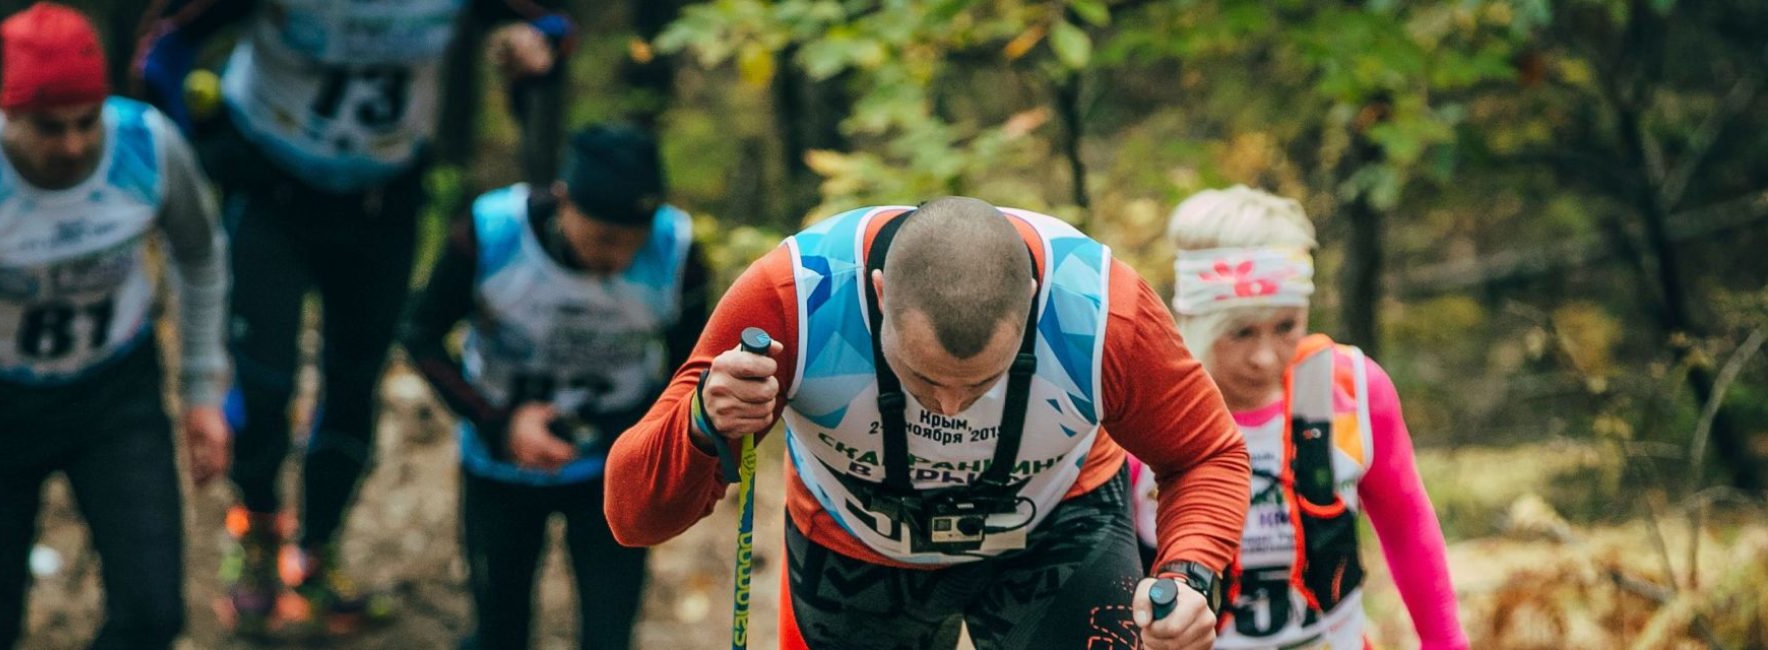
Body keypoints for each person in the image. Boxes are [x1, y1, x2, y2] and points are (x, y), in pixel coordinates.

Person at [605, 196, 1252, 649]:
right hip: (855, 543)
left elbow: (1206, 455)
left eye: (983, 381)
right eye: (922, 377)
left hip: (1057, 529)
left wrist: (1189, 574)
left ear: (1032, 303)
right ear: (879, 294)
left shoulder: (1104, 312)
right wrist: (702, 421)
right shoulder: (794, 299)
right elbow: (632, 518)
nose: (949, 406)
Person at [128, 0, 576, 634]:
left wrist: (538, 47)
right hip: (267, 188)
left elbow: (555, 25)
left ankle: (316, 556)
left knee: (354, 380)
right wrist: (180, 164)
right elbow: (163, 49)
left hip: (383, 203)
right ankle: (257, 540)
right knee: (263, 382)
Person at [0, 4, 230, 648]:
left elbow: (200, 256)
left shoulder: (147, 147)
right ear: (9, 112)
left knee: (153, 613)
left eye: (87, 121)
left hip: (115, 393)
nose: (73, 145)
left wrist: (202, 387)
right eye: (49, 126)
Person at [400, 124, 709, 649]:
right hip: (500, 461)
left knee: (609, 634)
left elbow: (694, 365)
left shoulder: (676, 250)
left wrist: (637, 434)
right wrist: (498, 424)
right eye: (603, 238)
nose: (618, 257)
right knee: (500, 629)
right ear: (563, 200)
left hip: (613, 462)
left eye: (633, 240)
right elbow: (420, 333)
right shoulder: (492, 231)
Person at [1128, 186, 1468, 649]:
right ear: (1196, 318)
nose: (1265, 357)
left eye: (1286, 326)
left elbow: (1407, 528)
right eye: (1240, 332)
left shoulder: (1350, 389)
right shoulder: (1144, 411)